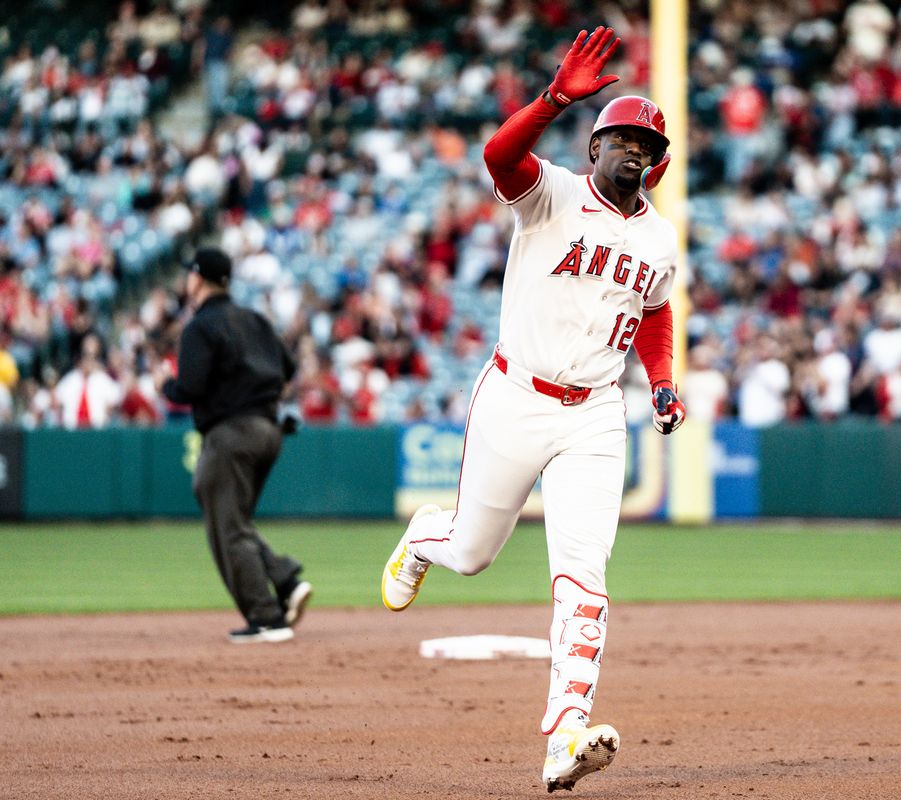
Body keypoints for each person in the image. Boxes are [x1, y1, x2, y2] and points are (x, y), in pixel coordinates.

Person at [380, 27, 685, 792]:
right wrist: (552, 98)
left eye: (646, 143)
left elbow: (654, 313)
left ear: (661, 161)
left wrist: (664, 379)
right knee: (475, 553)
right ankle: (425, 537)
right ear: (594, 147)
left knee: (583, 578)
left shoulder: (661, 239)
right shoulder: (550, 193)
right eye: (619, 137)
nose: (632, 151)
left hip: (594, 416)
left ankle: (566, 732)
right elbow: (498, 159)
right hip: (515, 396)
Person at [160, 247, 312, 644]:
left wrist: (165, 385)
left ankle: (266, 618)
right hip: (269, 430)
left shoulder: (200, 326)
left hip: (231, 433)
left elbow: (189, 388)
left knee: (227, 529)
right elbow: (290, 370)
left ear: (196, 278)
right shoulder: (255, 319)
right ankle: (283, 578)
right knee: (232, 517)